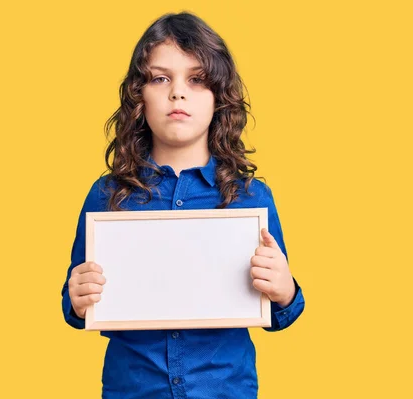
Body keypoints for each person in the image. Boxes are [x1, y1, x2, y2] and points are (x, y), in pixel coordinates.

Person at [61, 11, 305, 399]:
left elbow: (281, 312)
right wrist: (77, 298)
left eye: (196, 79)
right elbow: (74, 305)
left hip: (226, 390)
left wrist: (285, 290)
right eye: (161, 78)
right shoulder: (108, 197)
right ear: (139, 95)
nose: (178, 92)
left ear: (218, 97)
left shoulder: (250, 198)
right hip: (133, 390)